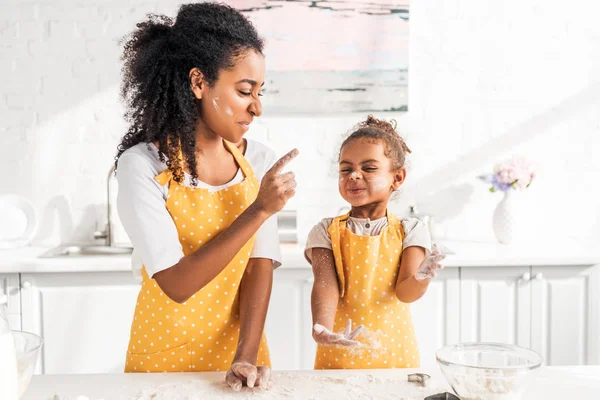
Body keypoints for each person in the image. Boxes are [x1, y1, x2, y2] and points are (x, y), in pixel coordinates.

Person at [115, 3, 297, 391]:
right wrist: (259, 209)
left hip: (243, 358)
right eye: (245, 90)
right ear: (199, 83)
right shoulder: (141, 166)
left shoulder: (259, 161)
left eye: (260, 92)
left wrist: (246, 355)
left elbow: (258, 266)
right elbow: (176, 284)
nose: (257, 107)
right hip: (164, 359)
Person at [305, 115, 445, 369]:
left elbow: (405, 292)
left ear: (398, 177)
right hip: (339, 352)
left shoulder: (410, 230)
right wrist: (322, 328)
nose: (354, 175)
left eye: (368, 168)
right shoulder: (325, 231)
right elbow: (325, 285)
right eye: (345, 169)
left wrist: (422, 277)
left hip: (394, 354)